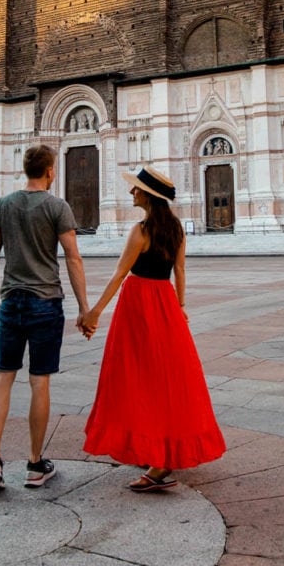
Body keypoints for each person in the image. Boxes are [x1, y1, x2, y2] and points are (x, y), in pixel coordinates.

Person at [80, 165, 225, 492]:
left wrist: (94, 312)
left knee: (137, 377)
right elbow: (181, 271)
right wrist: (181, 306)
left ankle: (160, 461)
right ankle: (156, 448)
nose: (132, 192)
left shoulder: (140, 231)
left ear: (149, 196)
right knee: (166, 379)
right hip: (165, 305)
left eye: (136, 189)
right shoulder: (176, 229)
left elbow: (119, 275)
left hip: (139, 307)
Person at [0, 144, 92, 493]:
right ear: (49, 171)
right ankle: (34, 464)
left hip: (11, 300)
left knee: (4, 376)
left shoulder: (3, 204)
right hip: (46, 302)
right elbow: (73, 258)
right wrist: (84, 307)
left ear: (24, 169)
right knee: (39, 381)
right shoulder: (57, 206)